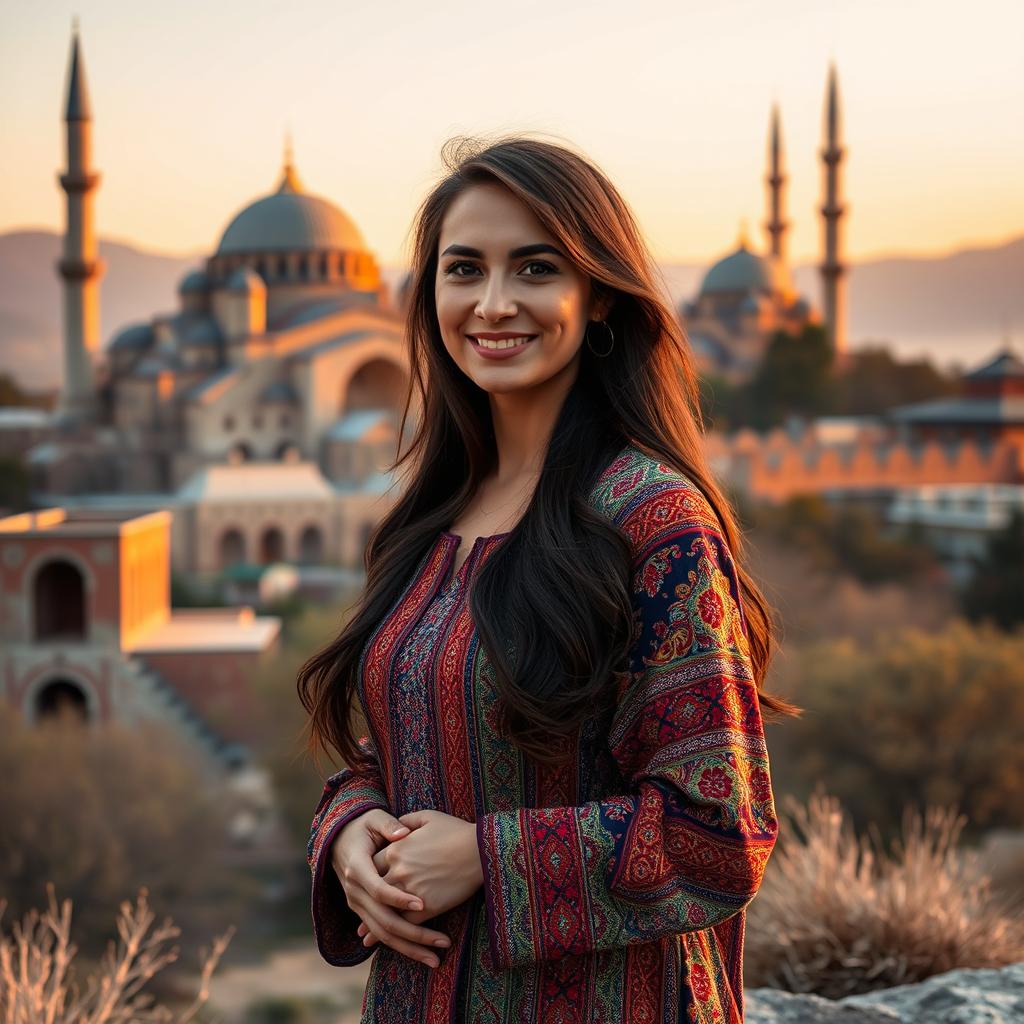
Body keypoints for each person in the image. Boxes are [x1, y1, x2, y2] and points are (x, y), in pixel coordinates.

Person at [298, 135, 800, 1023]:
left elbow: (719, 835)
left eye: (534, 268)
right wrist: (348, 833)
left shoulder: (653, 522)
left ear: (597, 293)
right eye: (464, 270)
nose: (493, 304)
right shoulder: (425, 522)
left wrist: (490, 856)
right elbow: (404, 746)